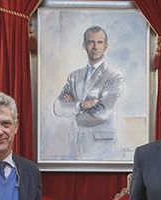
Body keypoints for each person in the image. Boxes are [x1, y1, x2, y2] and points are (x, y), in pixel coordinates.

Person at [53, 25, 125, 160]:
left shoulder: (114, 76)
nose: (95, 47)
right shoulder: (73, 76)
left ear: (106, 46)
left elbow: (102, 112)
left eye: (100, 42)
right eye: (91, 42)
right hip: (74, 145)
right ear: (84, 45)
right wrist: (80, 106)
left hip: (103, 148)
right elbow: (58, 107)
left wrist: (74, 112)